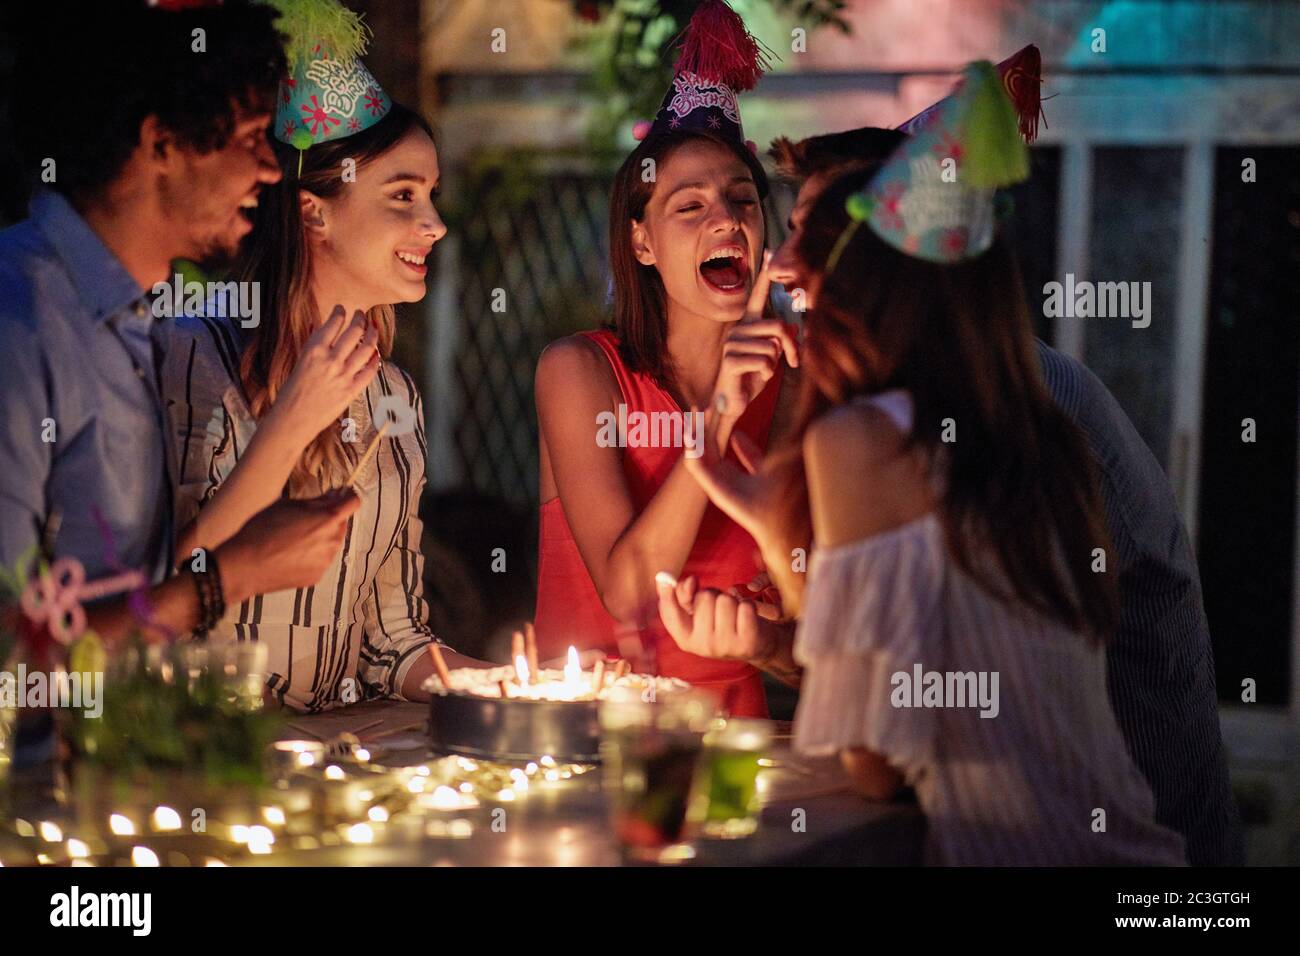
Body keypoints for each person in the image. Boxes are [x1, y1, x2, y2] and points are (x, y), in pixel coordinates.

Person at [660, 120, 1242, 865]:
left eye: (815, 234)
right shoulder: (997, 407)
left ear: (888, 253)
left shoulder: (894, 427)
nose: (779, 267)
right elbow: (954, 683)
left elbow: (879, 763)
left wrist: (784, 542)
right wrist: (776, 635)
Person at [0, 0, 355, 647]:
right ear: (160, 143)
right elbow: (11, 654)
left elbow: (123, 591)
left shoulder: (137, 325)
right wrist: (227, 580)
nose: (270, 171)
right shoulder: (21, 321)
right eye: (251, 139)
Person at [163, 0, 486, 711]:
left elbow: (393, 640)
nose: (433, 224)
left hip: (332, 770)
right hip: (204, 761)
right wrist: (290, 422)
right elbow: (162, 584)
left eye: (432, 195)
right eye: (402, 195)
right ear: (315, 210)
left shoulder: (394, 397)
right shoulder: (194, 349)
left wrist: (510, 687)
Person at [532, 0, 798, 716]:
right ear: (642, 243)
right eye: (690, 206)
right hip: (590, 750)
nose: (727, 219)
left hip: (740, 746)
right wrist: (716, 419)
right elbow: (626, 593)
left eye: (742, 199)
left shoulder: (795, 382)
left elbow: (827, 651)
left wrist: (769, 646)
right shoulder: (580, 372)